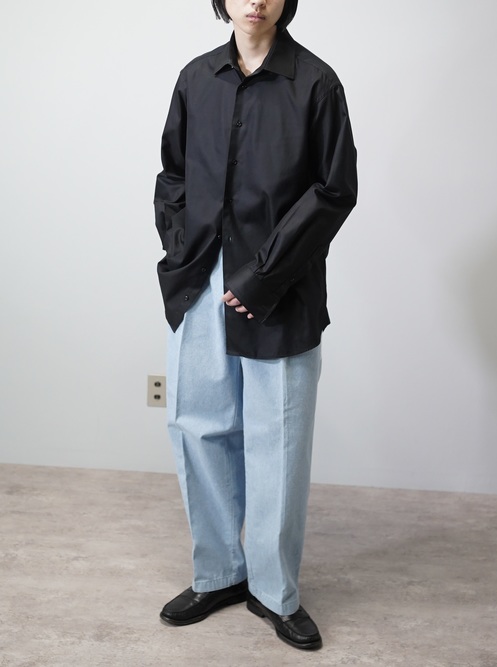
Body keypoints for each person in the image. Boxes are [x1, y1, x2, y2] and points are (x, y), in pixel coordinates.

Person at [153, 0, 357, 651]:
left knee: (279, 438)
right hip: (202, 279)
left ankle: (274, 590)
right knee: (198, 426)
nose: (255, 0)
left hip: (281, 285)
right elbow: (173, 174)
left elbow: (334, 189)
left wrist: (264, 276)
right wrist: (183, 251)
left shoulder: (316, 83)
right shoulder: (195, 78)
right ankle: (218, 573)